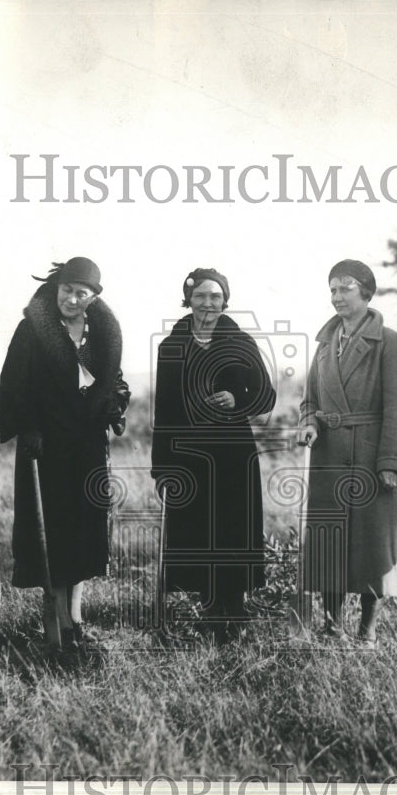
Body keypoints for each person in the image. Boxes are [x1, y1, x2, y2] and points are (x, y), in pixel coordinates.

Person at [0, 257, 129, 659]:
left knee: (84, 531)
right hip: (47, 449)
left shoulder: (101, 334)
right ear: (56, 289)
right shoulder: (32, 331)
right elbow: (13, 384)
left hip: (87, 447)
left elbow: (114, 381)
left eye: (82, 293)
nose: (73, 299)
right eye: (67, 290)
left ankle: (76, 619)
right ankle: (55, 621)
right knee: (52, 533)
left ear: (93, 297)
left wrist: (116, 405)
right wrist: (29, 428)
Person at [151, 268, 276, 641]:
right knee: (197, 531)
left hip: (234, 455)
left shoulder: (240, 341)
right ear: (188, 299)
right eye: (201, 296)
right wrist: (162, 469)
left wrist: (238, 398)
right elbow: (164, 410)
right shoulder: (171, 346)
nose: (208, 303)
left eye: (216, 297)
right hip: (187, 456)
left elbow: (266, 394)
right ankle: (209, 615)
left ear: (226, 301)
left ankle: (234, 616)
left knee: (233, 531)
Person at [296, 259, 397, 648]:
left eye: (345, 287)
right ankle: (331, 626)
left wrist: (390, 463)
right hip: (328, 455)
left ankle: (368, 632)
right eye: (332, 289)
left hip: (369, 456)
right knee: (330, 542)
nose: (337, 296)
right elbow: (309, 399)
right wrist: (309, 422)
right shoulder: (325, 343)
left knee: (372, 545)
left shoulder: (388, 342)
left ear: (366, 292)